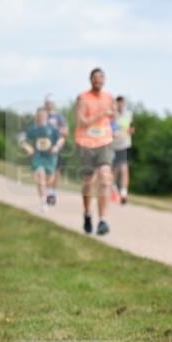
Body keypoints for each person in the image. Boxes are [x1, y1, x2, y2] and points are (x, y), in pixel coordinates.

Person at [75, 67, 116, 235]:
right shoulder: (83, 98)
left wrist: (114, 117)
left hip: (104, 142)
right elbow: (81, 122)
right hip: (85, 143)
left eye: (101, 78)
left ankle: (103, 220)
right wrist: (100, 115)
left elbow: (113, 117)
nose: (98, 80)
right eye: (95, 78)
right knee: (89, 182)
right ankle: (87, 214)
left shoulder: (109, 97)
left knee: (105, 179)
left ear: (104, 80)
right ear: (90, 80)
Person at [20, 108, 64, 212]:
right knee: (41, 178)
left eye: (43, 116)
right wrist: (28, 147)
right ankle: (44, 202)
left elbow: (61, 139)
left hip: (50, 158)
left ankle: (48, 193)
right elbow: (23, 140)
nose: (41, 118)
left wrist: (56, 147)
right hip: (38, 157)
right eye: (39, 116)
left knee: (48, 181)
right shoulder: (33, 129)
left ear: (46, 117)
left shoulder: (52, 129)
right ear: (37, 117)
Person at [43, 94, 70, 205]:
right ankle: (46, 192)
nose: (49, 105)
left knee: (56, 171)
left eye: (51, 103)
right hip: (44, 148)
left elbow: (66, 132)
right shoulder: (42, 116)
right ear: (45, 104)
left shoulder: (59, 117)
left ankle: (52, 193)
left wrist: (58, 131)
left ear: (54, 104)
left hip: (57, 147)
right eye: (47, 103)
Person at [111, 95, 134, 204]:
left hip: (125, 145)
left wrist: (130, 130)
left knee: (124, 169)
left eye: (122, 103)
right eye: (119, 102)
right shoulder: (112, 115)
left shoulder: (128, 115)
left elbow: (132, 128)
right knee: (114, 171)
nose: (121, 105)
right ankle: (113, 192)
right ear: (116, 103)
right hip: (113, 146)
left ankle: (124, 194)